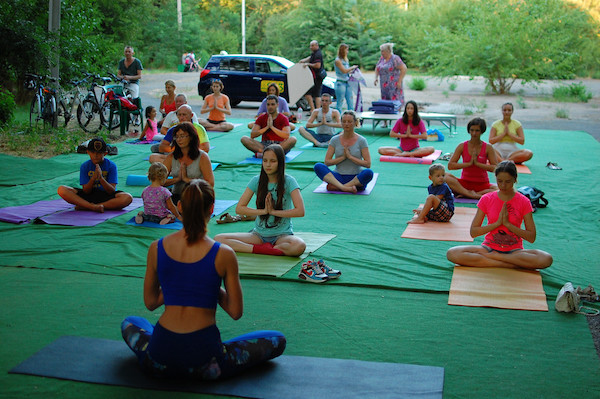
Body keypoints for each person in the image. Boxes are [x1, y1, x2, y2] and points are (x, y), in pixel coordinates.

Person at [121, 179, 286, 379]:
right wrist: (206, 285)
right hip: (208, 363)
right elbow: (235, 312)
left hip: (159, 359)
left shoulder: (157, 248)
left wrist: (179, 283)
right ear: (212, 208)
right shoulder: (224, 254)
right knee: (277, 339)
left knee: (130, 323)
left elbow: (151, 303)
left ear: (180, 206)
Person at [446, 161, 553, 269]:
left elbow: (531, 237)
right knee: (452, 253)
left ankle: (497, 259)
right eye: (499, 181)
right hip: (489, 248)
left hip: (514, 252)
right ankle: (510, 265)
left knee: (546, 258)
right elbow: (474, 232)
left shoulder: (524, 201)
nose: (503, 185)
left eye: (507, 181)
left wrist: (508, 225)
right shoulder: (486, 199)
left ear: (515, 179)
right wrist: (497, 223)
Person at [215, 144, 306, 257]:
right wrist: (263, 211)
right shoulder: (256, 180)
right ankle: (262, 249)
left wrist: (273, 212)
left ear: (280, 162)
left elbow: (300, 211)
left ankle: (270, 248)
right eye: (265, 160)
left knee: (299, 246)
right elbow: (240, 208)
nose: (268, 165)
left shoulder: (289, 181)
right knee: (218, 239)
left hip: (282, 236)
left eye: (273, 161)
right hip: (258, 236)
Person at [57, 137, 133, 212]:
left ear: (105, 153)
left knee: (127, 197)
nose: (95, 155)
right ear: (88, 152)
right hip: (89, 195)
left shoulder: (111, 166)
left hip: (106, 195)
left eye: (99, 153)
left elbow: (111, 191)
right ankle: (91, 206)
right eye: (93, 152)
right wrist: (93, 178)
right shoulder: (85, 166)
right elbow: (86, 191)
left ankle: (89, 206)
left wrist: (101, 178)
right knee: (62, 189)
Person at [314, 110, 374, 193]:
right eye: (344, 121)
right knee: (318, 166)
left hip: (356, 178)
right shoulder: (334, 140)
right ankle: (345, 188)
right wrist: (343, 157)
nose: (346, 124)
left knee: (368, 173)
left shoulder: (362, 140)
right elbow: (327, 162)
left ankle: (340, 187)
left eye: (349, 122)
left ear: (355, 123)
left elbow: (368, 164)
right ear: (341, 123)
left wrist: (350, 157)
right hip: (338, 177)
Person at [444, 118, 499, 199]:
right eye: (472, 130)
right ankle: (470, 194)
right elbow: (450, 166)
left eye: (477, 131)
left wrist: (478, 164)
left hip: (482, 184)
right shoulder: (462, 146)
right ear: (469, 130)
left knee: (499, 190)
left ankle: (471, 194)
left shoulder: (488, 147)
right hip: (464, 184)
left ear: (482, 131)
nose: (474, 133)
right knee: (444, 176)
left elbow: (495, 168)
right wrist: (468, 164)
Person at [163, 122, 214, 204]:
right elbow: (158, 181)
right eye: (177, 137)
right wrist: (177, 179)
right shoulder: (171, 157)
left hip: (197, 196)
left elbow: (210, 183)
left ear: (191, 137)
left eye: (182, 136)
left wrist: (187, 180)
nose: (179, 139)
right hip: (177, 196)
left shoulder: (202, 157)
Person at [299, 40, 325, 113]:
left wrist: (308, 64)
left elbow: (317, 65)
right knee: (313, 94)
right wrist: (304, 60)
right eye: (310, 46)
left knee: (313, 94)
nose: (311, 47)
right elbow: (311, 58)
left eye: (312, 46)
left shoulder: (318, 54)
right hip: (314, 77)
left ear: (317, 45)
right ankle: (315, 110)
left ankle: (315, 109)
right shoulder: (315, 53)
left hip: (317, 77)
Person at [334, 43, 358, 113]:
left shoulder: (346, 60)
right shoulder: (338, 60)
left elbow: (347, 71)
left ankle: (351, 116)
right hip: (340, 83)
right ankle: (338, 117)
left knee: (350, 100)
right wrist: (352, 67)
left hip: (347, 82)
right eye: (346, 50)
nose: (347, 52)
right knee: (340, 101)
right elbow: (344, 70)